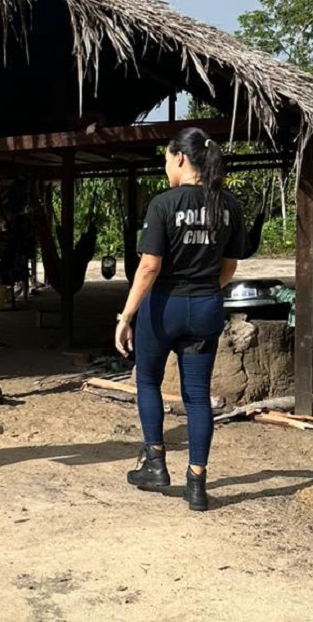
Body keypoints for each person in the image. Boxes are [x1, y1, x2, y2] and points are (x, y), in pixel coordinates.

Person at [115, 127, 246, 512]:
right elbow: (229, 267)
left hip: (164, 307)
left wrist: (126, 315)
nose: (166, 167)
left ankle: (155, 465)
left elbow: (149, 267)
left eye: (166, 160)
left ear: (181, 158)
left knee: (148, 381)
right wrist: (204, 292)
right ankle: (197, 485)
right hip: (206, 306)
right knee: (197, 395)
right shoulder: (229, 206)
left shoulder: (164, 204)